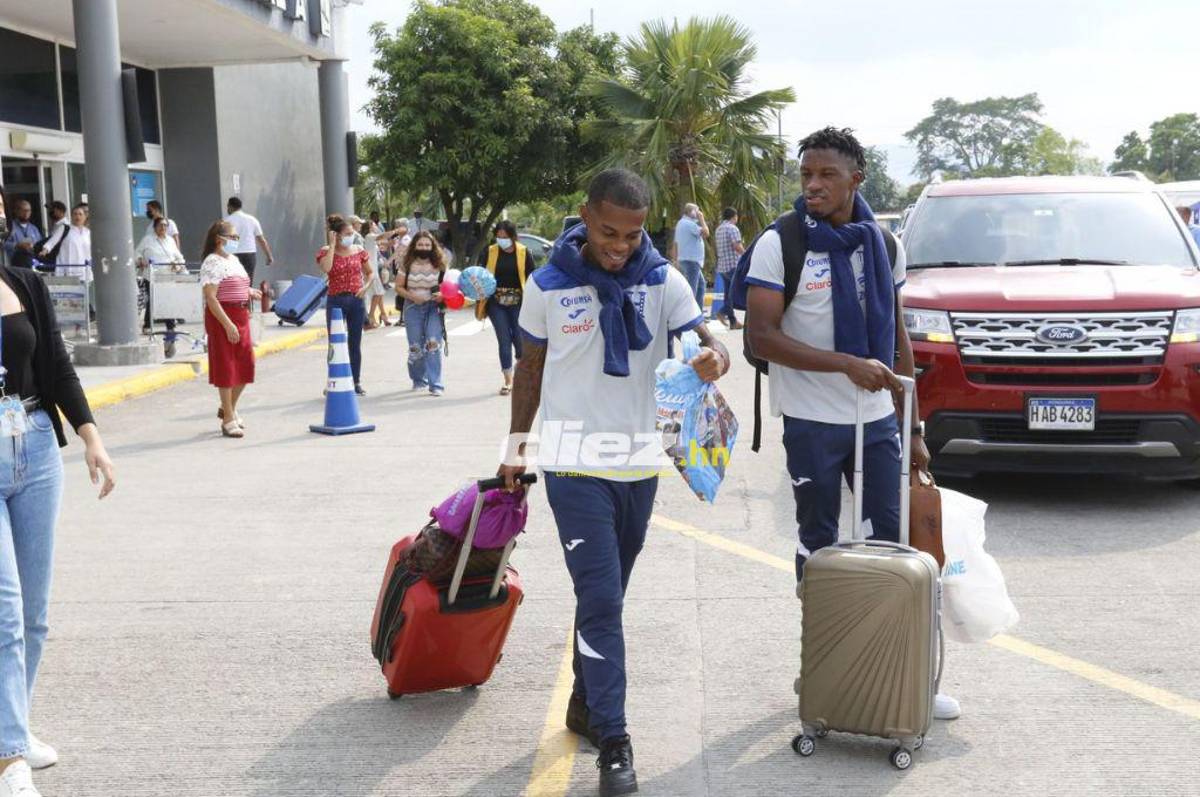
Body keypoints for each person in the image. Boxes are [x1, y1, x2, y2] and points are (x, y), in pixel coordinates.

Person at [499, 169, 730, 796]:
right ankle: (616, 743)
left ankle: (584, 703)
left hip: (638, 467)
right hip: (575, 468)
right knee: (601, 601)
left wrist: (714, 359)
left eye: (632, 234)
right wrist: (516, 450)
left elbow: (706, 343)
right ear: (585, 214)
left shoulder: (664, 280)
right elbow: (531, 370)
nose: (621, 245)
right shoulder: (548, 285)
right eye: (608, 232)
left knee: (607, 598)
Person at [743, 126, 960, 722]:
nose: (812, 185)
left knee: (890, 549)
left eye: (826, 175)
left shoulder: (883, 245)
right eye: (805, 173)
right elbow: (760, 337)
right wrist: (845, 365)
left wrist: (912, 427)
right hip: (812, 423)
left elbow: (895, 338)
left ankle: (904, 675)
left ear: (855, 180)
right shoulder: (780, 244)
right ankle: (823, 668)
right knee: (817, 548)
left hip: (877, 422)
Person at [0, 257, 116, 797]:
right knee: (5, 617)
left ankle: (10, 730)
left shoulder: (23, 283)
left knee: (34, 615)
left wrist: (91, 437)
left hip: (38, 448)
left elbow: (58, 365)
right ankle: (8, 757)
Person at [200, 220, 260, 438]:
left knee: (246, 364)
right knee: (227, 367)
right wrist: (227, 324)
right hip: (223, 317)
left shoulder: (233, 259)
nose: (236, 241)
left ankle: (229, 408)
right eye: (232, 237)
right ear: (219, 239)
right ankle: (228, 418)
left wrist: (249, 292)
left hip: (241, 315)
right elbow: (211, 297)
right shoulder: (212, 262)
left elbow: (235, 284)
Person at [476, 220, 534, 395]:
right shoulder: (490, 251)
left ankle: (523, 375)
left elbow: (532, 277)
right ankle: (508, 380)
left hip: (518, 301)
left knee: (519, 338)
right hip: (495, 302)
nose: (501, 240)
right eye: (498, 236)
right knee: (504, 340)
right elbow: (479, 273)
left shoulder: (524, 252)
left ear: (512, 236)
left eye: (505, 237)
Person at [318, 215, 372, 396]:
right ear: (337, 235)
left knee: (354, 343)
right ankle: (333, 380)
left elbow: (370, 273)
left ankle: (355, 381)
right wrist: (332, 245)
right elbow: (326, 268)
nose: (352, 236)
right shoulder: (326, 251)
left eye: (352, 232)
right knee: (335, 344)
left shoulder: (359, 250)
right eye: (347, 233)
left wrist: (365, 287)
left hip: (356, 300)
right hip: (336, 301)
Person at [394, 231, 446, 396]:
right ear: (414, 246)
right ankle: (418, 380)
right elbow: (398, 287)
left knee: (433, 344)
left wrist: (442, 296)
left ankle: (436, 384)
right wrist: (412, 296)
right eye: (420, 245)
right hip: (412, 308)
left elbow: (448, 285)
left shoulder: (440, 263)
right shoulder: (406, 264)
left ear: (432, 246)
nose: (424, 248)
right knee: (415, 347)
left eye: (427, 245)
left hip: (433, 307)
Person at [224, 197, 273, 285]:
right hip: (249, 255)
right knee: (247, 282)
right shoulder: (252, 220)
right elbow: (261, 240)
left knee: (234, 282)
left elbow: (224, 241)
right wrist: (269, 256)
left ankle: (238, 298)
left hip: (233, 254)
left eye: (227, 206)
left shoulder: (227, 221)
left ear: (230, 207)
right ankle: (248, 298)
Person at [672, 202, 709, 313]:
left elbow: (675, 243)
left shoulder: (681, 223)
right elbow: (706, 233)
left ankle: (697, 312)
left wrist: (675, 260)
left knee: (701, 285)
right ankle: (690, 315)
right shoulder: (689, 224)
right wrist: (702, 219)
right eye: (696, 211)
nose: (698, 213)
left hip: (686, 260)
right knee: (692, 289)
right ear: (692, 212)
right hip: (691, 261)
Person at [713, 207, 745, 329]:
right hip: (732, 265)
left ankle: (733, 322)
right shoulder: (732, 228)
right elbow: (736, 245)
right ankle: (722, 311)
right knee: (736, 291)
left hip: (722, 266)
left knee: (729, 294)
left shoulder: (719, 229)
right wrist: (746, 255)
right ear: (734, 216)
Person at [360, 219, 389, 328]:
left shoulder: (371, 237)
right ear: (370, 226)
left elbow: (382, 244)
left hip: (374, 269)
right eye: (374, 224)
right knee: (379, 293)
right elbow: (382, 236)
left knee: (378, 293)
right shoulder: (370, 236)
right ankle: (371, 316)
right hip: (371, 270)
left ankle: (383, 315)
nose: (376, 226)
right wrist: (396, 231)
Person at [54, 205, 91, 284]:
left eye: (80, 214)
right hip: (68, 271)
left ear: (85, 217)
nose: (77, 216)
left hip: (86, 273)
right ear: (71, 216)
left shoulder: (88, 232)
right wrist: (45, 250)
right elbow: (52, 242)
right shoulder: (65, 229)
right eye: (75, 214)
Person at [2, 202, 41, 270]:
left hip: (33, 265)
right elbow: (2, 243)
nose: (26, 213)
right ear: (16, 211)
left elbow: (40, 244)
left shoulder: (34, 229)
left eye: (29, 210)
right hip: (14, 266)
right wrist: (17, 245)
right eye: (24, 210)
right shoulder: (9, 227)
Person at [34, 203, 68, 270]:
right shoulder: (57, 225)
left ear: (61, 211)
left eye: (53, 210)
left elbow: (53, 240)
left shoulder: (64, 226)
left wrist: (44, 250)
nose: (50, 212)